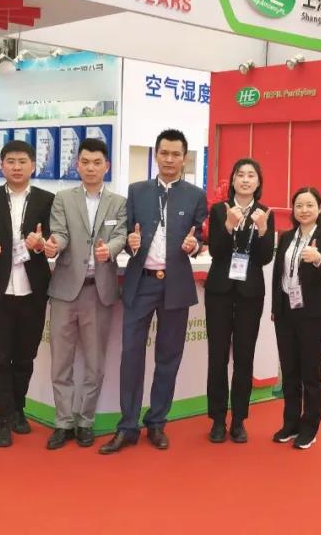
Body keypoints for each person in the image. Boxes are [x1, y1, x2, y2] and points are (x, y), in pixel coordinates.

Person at [99, 129, 207, 454]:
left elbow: (200, 237)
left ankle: (157, 422)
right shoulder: (137, 191)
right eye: (164, 153)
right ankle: (127, 426)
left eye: (176, 154)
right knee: (131, 355)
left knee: (168, 357)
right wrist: (130, 245)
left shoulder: (195, 195)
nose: (169, 159)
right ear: (156, 155)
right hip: (141, 283)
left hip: (176, 284)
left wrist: (194, 245)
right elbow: (126, 234)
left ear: (184, 158)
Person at [41, 138, 127, 450]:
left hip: (99, 292)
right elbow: (60, 233)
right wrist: (54, 245)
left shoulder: (118, 202)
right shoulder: (63, 198)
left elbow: (120, 235)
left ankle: (85, 421)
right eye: (85, 162)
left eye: (96, 163)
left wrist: (111, 249)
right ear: (77, 165)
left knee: (95, 364)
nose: (91, 168)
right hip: (65, 291)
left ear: (106, 166)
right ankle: (63, 422)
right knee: (60, 363)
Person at [0, 140, 54, 447]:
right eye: (11, 161)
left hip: (32, 291)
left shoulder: (47, 200)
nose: (17, 167)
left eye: (22, 161)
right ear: (1, 165)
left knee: (25, 357)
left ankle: (18, 409)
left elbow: (55, 238)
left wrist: (42, 244)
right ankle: (1, 419)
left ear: (33, 166)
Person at [204, 158, 275, 443]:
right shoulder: (219, 209)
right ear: (232, 180)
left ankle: (239, 420)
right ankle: (217, 419)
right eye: (240, 175)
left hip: (250, 293)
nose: (245, 179)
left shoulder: (264, 213)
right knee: (218, 356)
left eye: (251, 175)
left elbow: (265, 257)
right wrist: (229, 225)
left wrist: (262, 231)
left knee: (244, 357)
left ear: (258, 182)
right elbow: (216, 251)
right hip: (219, 291)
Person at [270, 187, 321, 450]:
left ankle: (309, 427)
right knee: (289, 372)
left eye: (310, 205)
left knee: (310, 374)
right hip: (286, 312)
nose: (304, 210)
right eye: (299, 205)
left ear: (320, 208)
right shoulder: (287, 237)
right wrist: (276, 308)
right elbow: (278, 275)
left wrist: (318, 259)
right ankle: (290, 424)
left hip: (311, 314)